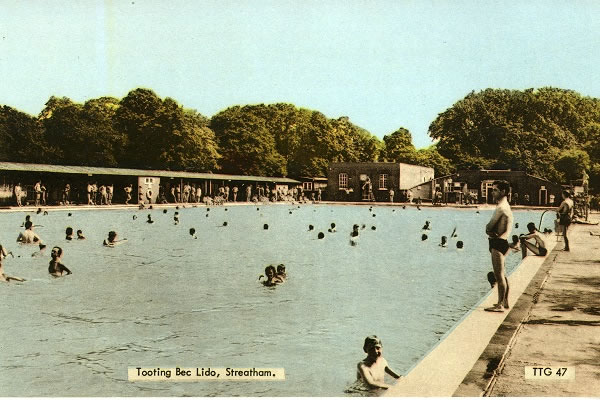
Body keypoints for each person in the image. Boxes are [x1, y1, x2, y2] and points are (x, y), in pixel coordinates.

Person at [485, 180, 513, 312]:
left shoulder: (501, 208)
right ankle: (505, 301)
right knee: (503, 274)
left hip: (497, 242)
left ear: (503, 192)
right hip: (503, 241)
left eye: (495, 190)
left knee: (499, 275)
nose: (492, 192)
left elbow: (489, 226)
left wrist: (489, 230)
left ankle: (500, 304)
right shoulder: (506, 206)